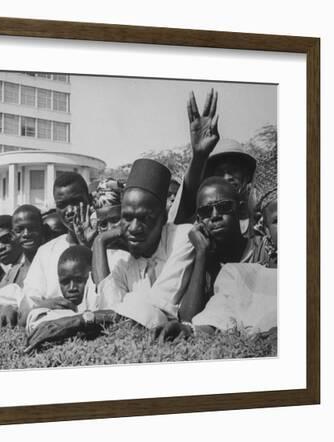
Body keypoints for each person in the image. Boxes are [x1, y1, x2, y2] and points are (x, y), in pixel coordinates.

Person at [25, 159, 195, 351]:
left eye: (145, 218)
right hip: (124, 316)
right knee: (42, 316)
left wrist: (83, 320)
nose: (134, 228)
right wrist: (99, 242)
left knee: (140, 307)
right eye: (127, 218)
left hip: (159, 319)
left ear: (163, 217)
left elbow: (155, 310)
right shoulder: (124, 259)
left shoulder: (182, 237)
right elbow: (109, 307)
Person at [177, 177, 267, 324]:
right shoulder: (204, 258)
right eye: (206, 212)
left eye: (224, 207)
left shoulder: (261, 249)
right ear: (199, 221)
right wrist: (201, 254)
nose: (215, 216)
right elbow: (188, 318)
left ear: (241, 210)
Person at [169, 90, 257, 237]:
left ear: (246, 174)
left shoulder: (259, 215)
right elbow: (178, 219)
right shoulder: (205, 221)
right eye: (220, 172)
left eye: (233, 170)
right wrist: (199, 156)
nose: (227, 177)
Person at [20, 172, 94, 311]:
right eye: (62, 205)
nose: (70, 210)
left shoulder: (105, 246)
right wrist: (46, 305)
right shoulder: (46, 252)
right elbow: (29, 299)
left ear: (89, 200)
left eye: (76, 202)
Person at [24, 246, 99, 347]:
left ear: (91, 276)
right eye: (65, 282)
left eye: (79, 280)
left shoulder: (99, 299)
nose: (72, 288)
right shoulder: (56, 308)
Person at [0, 205, 46, 327]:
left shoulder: (45, 262)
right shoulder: (13, 271)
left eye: (6, 239)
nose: (26, 234)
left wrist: (14, 308)